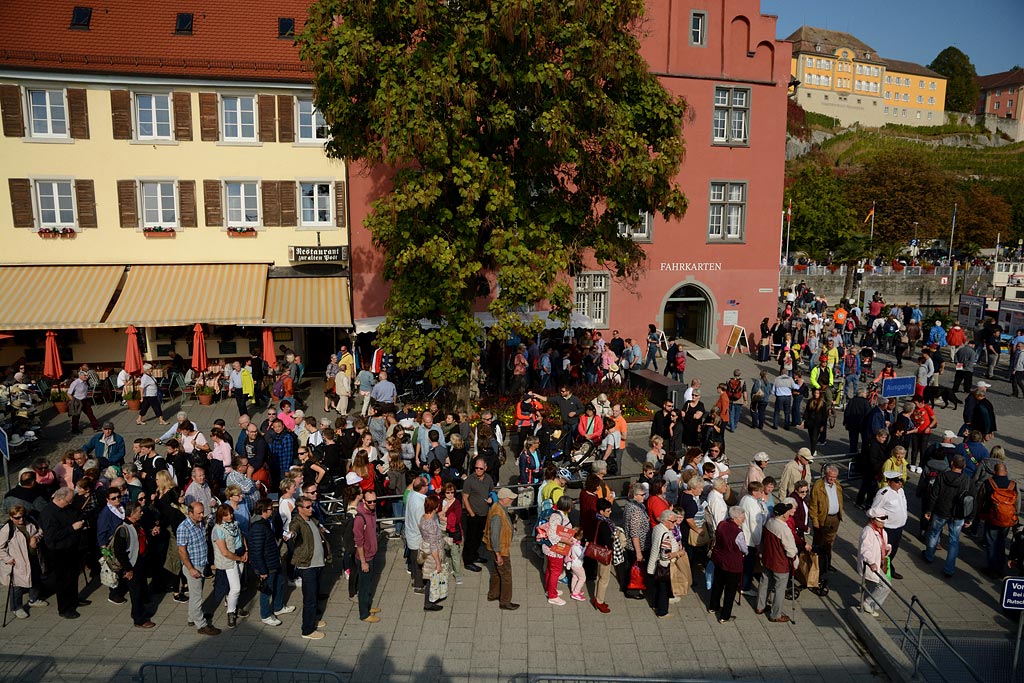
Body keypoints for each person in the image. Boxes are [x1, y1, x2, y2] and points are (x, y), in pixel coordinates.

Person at [922, 455, 973, 577]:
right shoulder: (967, 480)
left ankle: (929, 555)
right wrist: (970, 517)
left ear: (951, 463)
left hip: (941, 510)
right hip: (958, 514)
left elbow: (934, 495)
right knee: (954, 541)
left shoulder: (942, 476)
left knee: (934, 533)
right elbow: (972, 499)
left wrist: (929, 510)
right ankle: (949, 568)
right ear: (964, 466)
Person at [40, 487, 87, 619]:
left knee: (73, 576)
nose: (70, 503)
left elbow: (75, 514)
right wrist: (72, 528)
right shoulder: (49, 513)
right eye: (68, 501)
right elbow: (52, 536)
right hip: (59, 551)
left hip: (71, 548)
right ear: (60, 499)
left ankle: (74, 599)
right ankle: (64, 608)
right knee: (62, 580)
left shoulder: (66, 508)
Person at [109, 502, 156, 628]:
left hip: (140, 561)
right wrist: (128, 569)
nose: (141, 513)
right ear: (132, 513)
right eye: (139, 511)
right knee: (136, 592)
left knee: (141, 589)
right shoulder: (123, 529)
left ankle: (139, 612)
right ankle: (139, 620)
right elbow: (120, 552)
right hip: (131, 564)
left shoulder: (137, 525)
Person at [177, 502, 220, 635]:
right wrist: (190, 569)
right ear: (190, 513)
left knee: (196, 594)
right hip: (193, 566)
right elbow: (181, 550)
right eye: (199, 513)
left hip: (201, 563)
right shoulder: (184, 528)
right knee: (196, 597)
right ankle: (201, 625)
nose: (202, 515)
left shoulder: (199, 523)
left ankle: (192, 617)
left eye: (202, 512)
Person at [290, 495, 328, 639]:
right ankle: (307, 630)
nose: (311, 509)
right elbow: (294, 530)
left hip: (317, 564)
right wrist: (291, 534)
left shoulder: (311, 520)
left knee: (314, 596)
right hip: (308, 566)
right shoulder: (298, 522)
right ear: (299, 509)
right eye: (307, 507)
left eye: (311, 506)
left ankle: (312, 621)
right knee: (310, 599)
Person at [249, 499, 293, 626]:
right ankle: (265, 615)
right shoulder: (258, 526)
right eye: (270, 509)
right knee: (266, 590)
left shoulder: (266, 522)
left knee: (279, 583)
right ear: (263, 510)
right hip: (267, 564)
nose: (273, 511)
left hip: (274, 561)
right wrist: (262, 570)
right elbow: (257, 551)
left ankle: (278, 607)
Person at [0, 505, 46, 619]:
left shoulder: (30, 521)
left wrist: (36, 538)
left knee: (35, 578)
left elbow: (40, 531)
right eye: (17, 518)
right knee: (17, 586)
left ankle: (33, 599)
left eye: (23, 517)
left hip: (33, 557)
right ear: (11, 517)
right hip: (17, 561)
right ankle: (17, 608)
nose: (21, 520)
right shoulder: (7, 529)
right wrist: (8, 559)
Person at [758, 502, 798, 623]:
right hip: (780, 563)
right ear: (783, 514)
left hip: (767, 559)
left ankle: (760, 607)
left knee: (764, 583)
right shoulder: (784, 529)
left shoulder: (769, 522)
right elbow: (791, 550)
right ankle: (775, 614)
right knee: (780, 589)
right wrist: (795, 561)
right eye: (786, 511)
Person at [210, 504, 248, 629]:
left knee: (236, 585)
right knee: (236, 588)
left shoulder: (234, 524)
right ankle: (231, 612)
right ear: (220, 516)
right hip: (229, 561)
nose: (229, 516)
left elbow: (241, 537)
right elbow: (225, 552)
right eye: (225, 515)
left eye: (231, 513)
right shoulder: (217, 530)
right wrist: (239, 558)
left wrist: (246, 551)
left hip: (239, 556)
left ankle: (234, 605)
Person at [708, 506, 747, 624]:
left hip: (720, 560)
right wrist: (745, 553)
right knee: (730, 591)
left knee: (718, 584)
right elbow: (744, 549)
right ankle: (725, 616)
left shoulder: (721, 524)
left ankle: (713, 607)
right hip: (732, 564)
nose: (744, 519)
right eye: (742, 517)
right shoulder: (738, 532)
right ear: (736, 518)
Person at [978, 462, 1018, 577]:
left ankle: (992, 568)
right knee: (1001, 542)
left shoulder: (989, 483)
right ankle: (1001, 568)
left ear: (995, 471)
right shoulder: (1012, 485)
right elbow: (1017, 503)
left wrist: (979, 513)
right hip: (1006, 520)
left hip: (992, 518)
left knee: (991, 543)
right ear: (1006, 471)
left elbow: (980, 498)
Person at [484, 487, 519, 610]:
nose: (512, 500)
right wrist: (498, 554)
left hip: (499, 548)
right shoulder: (498, 514)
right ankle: (505, 601)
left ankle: (493, 594)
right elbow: (494, 535)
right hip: (501, 550)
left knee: (496, 572)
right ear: (503, 499)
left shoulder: (498, 508)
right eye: (510, 498)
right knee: (506, 575)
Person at [869, 472, 908, 579]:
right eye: (897, 481)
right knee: (884, 552)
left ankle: (887, 567)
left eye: (901, 481)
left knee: (893, 550)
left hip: (899, 527)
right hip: (888, 529)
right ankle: (884, 572)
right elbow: (874, 510)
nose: (900, 483)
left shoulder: (901, 491)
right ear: (889, 481)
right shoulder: (884, 493)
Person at [354, 488, 383, 622]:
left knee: (369, 583)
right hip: (364, 557)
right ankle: (364, 614)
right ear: (364, 501)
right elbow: (359, 542)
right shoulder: (360, 518)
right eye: (370, 502)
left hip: (371, 553)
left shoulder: (372, 511)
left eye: (374, 501)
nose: (373, 504)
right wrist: (363, 562)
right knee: (364, 586)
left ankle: (367, 606)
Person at [858, 508, 892, 617]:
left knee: (870, 587)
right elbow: (865, 549)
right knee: (885, 586)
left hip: (878, 564)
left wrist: (887, 548)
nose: (883, 522)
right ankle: (868, 604)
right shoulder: (868, 532)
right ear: (873, 520)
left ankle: (866, 606)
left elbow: (882, 544)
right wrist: (871, 562)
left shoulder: (882, 531)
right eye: (881, 520)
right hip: (871, 565)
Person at [809, 465, 843, 574]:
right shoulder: (818, 486)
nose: (832, 479)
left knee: (830, 543)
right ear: (826, 474)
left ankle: (827, 564)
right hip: (823, 519)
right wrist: (815, 521)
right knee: (819, 543)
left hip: (835, 518)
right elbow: (813, 506)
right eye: (830, 476)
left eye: (835, 477)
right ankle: (816, 566)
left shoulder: (837, 485)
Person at [461, 458, 492, 571]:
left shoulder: (488, 478)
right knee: (470, 539)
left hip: (484, 514)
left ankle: (475, 555)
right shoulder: (469, 480)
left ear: (485, 468)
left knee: (479, 537)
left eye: (480, 468)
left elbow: (492, 491)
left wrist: (490, 498)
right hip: (473, 515)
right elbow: (465, 497)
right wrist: (471, 513)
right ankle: (468, 561)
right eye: (476, 468)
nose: (478, 470)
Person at [543, 496, 574, 605]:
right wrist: (567, 541)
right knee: (555, 572)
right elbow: (552, 535)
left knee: (550, 570)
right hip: (555, 550)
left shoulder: (556, 514)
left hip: (549, 549)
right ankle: (552, 596)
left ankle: (549, 590)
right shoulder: (558, 517)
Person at [418, 494, 446, 612]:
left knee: (430, 578)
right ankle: (428, 603)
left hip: (426, 550)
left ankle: (430, 600)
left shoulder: (423, 518)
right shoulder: (432, 525)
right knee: (432, 578)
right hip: (433, 555)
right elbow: (434, 546)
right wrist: (438, 563)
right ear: (435, 507)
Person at [405, 477, 428, 593]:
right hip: (417, 537)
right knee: (419, 562)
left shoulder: (411, 495)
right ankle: (418, 586)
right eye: (427, 485)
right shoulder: (421, 503)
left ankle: (415, 579)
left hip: (410, 534)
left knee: (414, 560)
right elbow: (421, 523)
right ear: (423, 488)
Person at [67, 370, 101, 434]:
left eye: (86, 375)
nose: (86, 376)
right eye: (85, 375)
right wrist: (74, 401)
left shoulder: (85, 382)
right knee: (76, 416)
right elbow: (69, 393)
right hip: (77, 400)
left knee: (90, 413)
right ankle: (74, 429)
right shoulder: (75, 383)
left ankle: (96, 427)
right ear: (80, 376)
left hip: (85, 400)